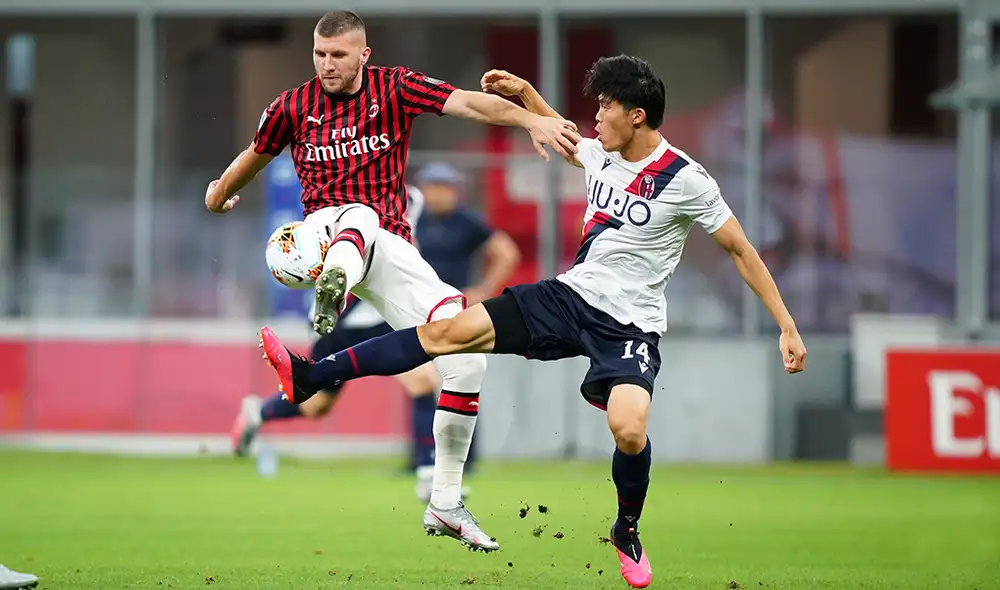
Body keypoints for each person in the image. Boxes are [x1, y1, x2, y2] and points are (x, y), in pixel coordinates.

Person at [259, 55, 807, 589]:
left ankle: (626, 530)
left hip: (631, 326)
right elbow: (561, 134)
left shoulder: (687, 179)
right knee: (449, 333)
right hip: (568, 298)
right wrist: (525, 96)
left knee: (630, 429)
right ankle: (313, 374)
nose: (595, 117)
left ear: (635, 114)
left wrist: (785, 324)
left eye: (605, 106)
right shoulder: (602, 154)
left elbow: (739, 249)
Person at [205, 10, 579, 553]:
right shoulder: (291, 106)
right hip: (318, 235)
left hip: (390, 248)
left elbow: (470, 103)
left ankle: (446, 502)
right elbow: (254, 157)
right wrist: (218, 194)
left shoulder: (395, 87)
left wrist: (529, 118)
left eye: (338, 55)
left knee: (467, 349)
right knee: (358, 213)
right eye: (319, 54)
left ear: (364, 55)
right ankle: (332, 288)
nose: (327, 65)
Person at [231, 186, 444, 503]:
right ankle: (258, 413)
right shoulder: (339, 208)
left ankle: (428, 476)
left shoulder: (409, 199)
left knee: (423, 381)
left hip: (382, 312)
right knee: (317, 405)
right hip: (340, 318)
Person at [412, 162, 522, 470]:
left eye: (442, 188)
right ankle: (420, 457)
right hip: (420, 308)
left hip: (455, 310)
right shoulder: (415, 220)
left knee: (462, 375)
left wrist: (484, 289)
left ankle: (464, 458)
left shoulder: (468, 222)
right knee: (418, 379)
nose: (436, 194)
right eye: (431, 187)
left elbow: (507, 252)